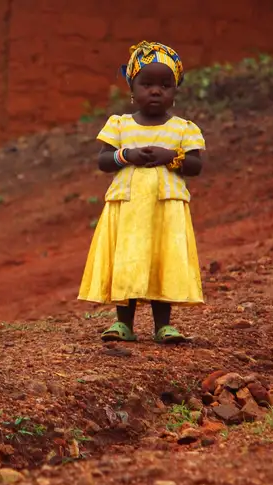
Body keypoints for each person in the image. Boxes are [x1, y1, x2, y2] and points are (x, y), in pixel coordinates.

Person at [78, 41, 205, 344]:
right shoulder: (119, 125)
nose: (156, 91)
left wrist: (170, 157)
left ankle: (164, 326)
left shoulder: (184, 129)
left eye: (165, 84)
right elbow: (103, 161)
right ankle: (123, 324)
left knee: (163, 259)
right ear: (132, 88)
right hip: (128, 207)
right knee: (129, 259)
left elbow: (196, 165)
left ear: (175, 91)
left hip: (166, 208)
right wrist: (127, 156)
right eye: (146, 84)